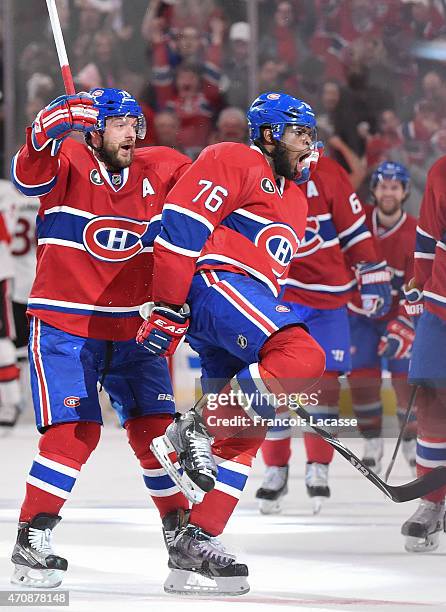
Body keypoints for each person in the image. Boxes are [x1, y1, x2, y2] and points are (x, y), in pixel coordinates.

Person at [137, 92, 326, 594]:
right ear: (267, 133)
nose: (309, 144)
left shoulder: (297, 197)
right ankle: (190, 428)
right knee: (305, 355)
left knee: (248, 427)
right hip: (216, 283)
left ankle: (195, 543)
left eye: (311, 134)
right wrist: (168, 305)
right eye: (298, 133)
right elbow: (180, 229)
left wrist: (274, 385)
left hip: (245, 301)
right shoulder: (233, 157)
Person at [9, 87, 192, 588]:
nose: (131, 133)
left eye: (136, 123)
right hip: (68, 324)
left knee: (158, 435)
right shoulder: (67, 155)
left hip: (133, 326)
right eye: (119, 124)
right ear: (93, 129)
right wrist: (45, 126)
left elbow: (206, 200)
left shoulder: (163, 167)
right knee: (76, 432)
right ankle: (33, 539)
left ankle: (183, 540)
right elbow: (27, 177)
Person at [255, 155, 391, 514]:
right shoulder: (257, 170)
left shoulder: (328, 172)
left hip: (328, 299)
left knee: (324, 390)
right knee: (277, 387)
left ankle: (318, 466)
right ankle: (275, 469)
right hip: (281, 294)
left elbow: (355, 230)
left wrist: (372, 273)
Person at [348, 161, 418, 475]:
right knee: (362, 380)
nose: (388, 192)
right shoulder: (357, 223)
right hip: (360, 317)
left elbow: (417, 284)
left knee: (406, 382)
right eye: (383, 186)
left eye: (394, 187)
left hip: (398, 319)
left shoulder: (415, 232)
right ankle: (372, 440)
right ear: (374, 190)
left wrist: (402, 324)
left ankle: (411, 439)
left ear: (403, 192)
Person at [400, 154, 446, 552]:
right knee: (431, 407)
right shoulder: (440, 170)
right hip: (440, 306)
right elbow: (428, 235)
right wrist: (418, 283)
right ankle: (431, 503)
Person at [0, 180, 21, 427]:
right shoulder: (7, 190)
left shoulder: (6, 191)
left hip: (2, 271)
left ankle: (11, 403)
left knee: (3, 338)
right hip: (10, 269)